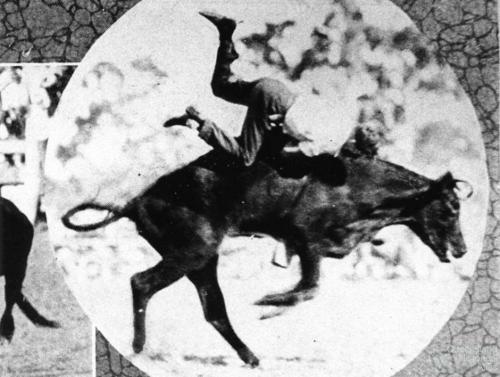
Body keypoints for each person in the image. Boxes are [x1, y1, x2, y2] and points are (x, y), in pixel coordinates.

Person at [164, 11, 356, 181]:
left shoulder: (342, 124)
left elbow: (312, 104)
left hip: (275, 89)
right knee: (246, 158)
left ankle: (226, 34)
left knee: (221, 87)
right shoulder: (321, 148)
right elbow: (287, 152)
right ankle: (199, 122)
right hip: (272, 104)